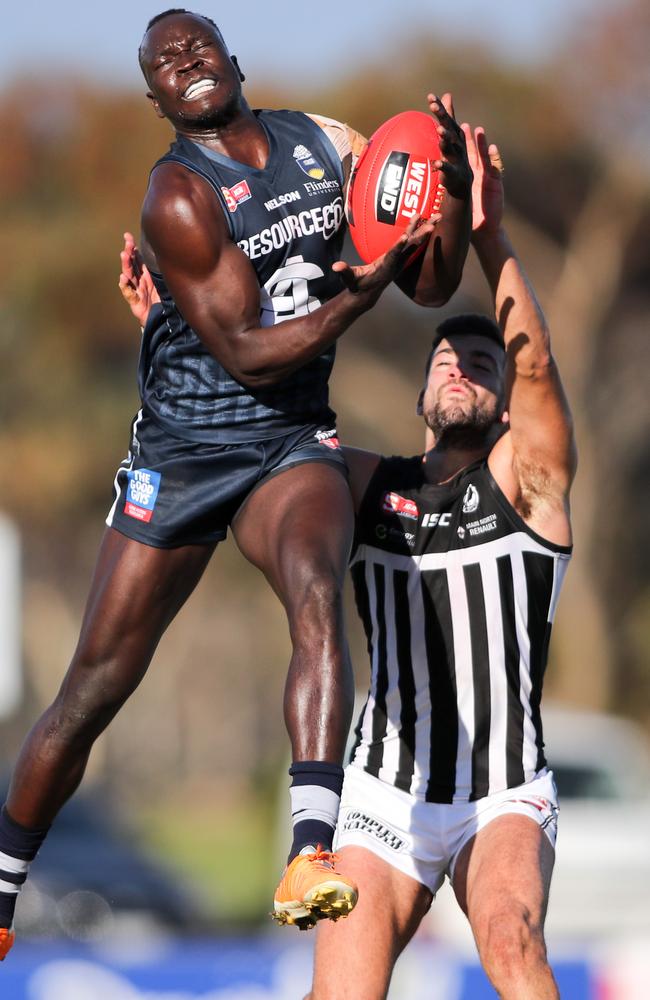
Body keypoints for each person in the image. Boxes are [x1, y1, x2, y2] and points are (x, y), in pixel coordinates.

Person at [0, 9, 473, 961]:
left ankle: (308, 851)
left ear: (232, 57)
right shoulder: (178, 195)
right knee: (95, 687)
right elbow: (251, 355)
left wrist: (450, 199)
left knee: (313, 593)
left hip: (291, 442)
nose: (186, 61)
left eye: (197, 44)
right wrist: (361, 291)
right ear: (156, 98)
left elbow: (431, 283)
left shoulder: (328, 146)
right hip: (186, 449)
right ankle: (4, 891)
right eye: (164, 60)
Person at [305, 124, 576, 999]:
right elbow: (267, 440)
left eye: (482, 363)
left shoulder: (527, 485)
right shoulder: (362, 486)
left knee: (509, 941)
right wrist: (174, 328)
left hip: (501, 791)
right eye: (447, 359)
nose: (462, 366)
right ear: (421, 392)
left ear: (503, 409)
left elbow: (538, 379)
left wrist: (490, 236)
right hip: (384, 791)